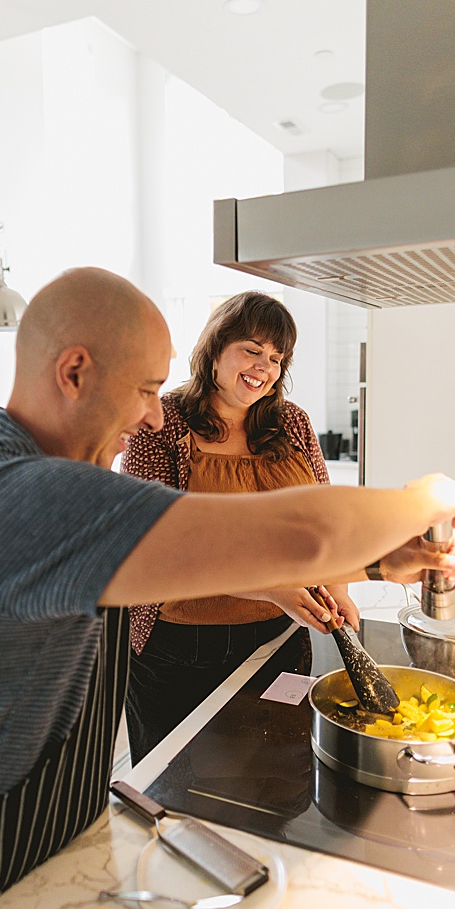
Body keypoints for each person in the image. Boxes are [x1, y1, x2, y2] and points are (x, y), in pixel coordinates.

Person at [0, 267, 455, 909]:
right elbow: (304, 532)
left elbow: (212, 568)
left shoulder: (40, 485)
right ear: (75, 371)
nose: (154, 419)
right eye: (144, 389)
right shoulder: (21, 499)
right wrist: (431, 495)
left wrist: (386, 563)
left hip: (37, 860)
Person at [121, 291, 347, 764]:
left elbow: (327, 521)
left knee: (274, 775)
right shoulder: (160, 426)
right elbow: (155, 548)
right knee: (176, 783)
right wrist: (272, 588)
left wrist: (337, 585)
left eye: (275, 357)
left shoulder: (292, 424)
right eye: (252, 349)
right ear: (216, 348)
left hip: (279, 638)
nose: (264, 367)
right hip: (179, 649)